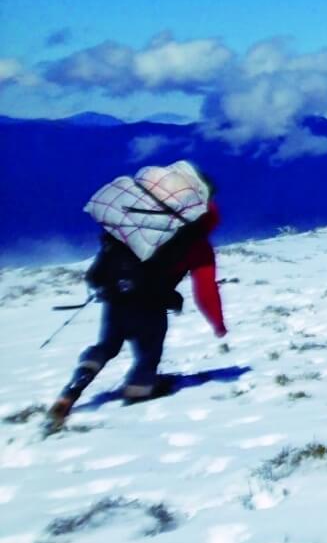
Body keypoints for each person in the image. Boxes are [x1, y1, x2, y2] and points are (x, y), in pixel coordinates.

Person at [51, 164, 227, 429]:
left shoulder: (144, 222)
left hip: (115, 294)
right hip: (150, 303)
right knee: (148, 352)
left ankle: (73, 388)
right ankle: (139, 387)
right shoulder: (196, 244)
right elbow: (205, 290)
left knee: (106, 346)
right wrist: (218, 325)